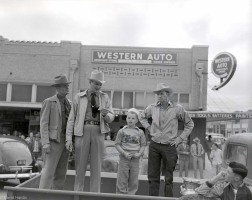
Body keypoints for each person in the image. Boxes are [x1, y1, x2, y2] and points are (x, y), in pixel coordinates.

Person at [139, 83, 194, 197]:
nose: (159, 96)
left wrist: (180, 138)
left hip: (170, 146)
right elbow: (141, 116)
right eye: (158, 94)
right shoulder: (152, 108)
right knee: (153, 176)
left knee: (168, 178)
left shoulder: (177, 108)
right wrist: (149, 127)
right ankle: (152, 199)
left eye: (162, 93)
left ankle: (168, 199)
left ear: (168, 95)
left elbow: (190, 124)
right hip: (154, 145)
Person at [65, 70, 115, 192]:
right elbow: (71, 119)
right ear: (90, 82)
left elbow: (112, 116)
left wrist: (105, 115)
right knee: (80, 166)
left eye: (100, 84)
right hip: (82, 131)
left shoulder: (105, 97)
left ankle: (95, 194)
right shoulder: (79, 97)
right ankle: (77, 193)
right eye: (96, 83)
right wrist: (68, 139)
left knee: (96, 166)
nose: (98, 86)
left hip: (98, 130)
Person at [39, 74, 71, 190]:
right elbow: (43, 124)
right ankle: (41, 196)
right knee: (48, 172)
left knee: (61, 173)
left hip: (66, 142)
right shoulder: (49, 102)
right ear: (57, 87)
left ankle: (56, 195)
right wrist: (45, 143)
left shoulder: (70, 103)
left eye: (67, 86)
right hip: (53, 141)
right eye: (64, 86)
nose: (67, 88)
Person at [115, 108, 146, 195]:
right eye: (129, 118)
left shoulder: (140, 132)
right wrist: (124, 153)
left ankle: (131, 196)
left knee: (134, 179)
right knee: (122, 178)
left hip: (135, 159)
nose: (130, 120)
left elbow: (143, 145)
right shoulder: (121, 131)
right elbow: (117, 144)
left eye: (133, 118)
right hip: (124, 158)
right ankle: (120, 196)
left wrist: (139, 154)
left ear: (137, 120)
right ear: (126, 119)